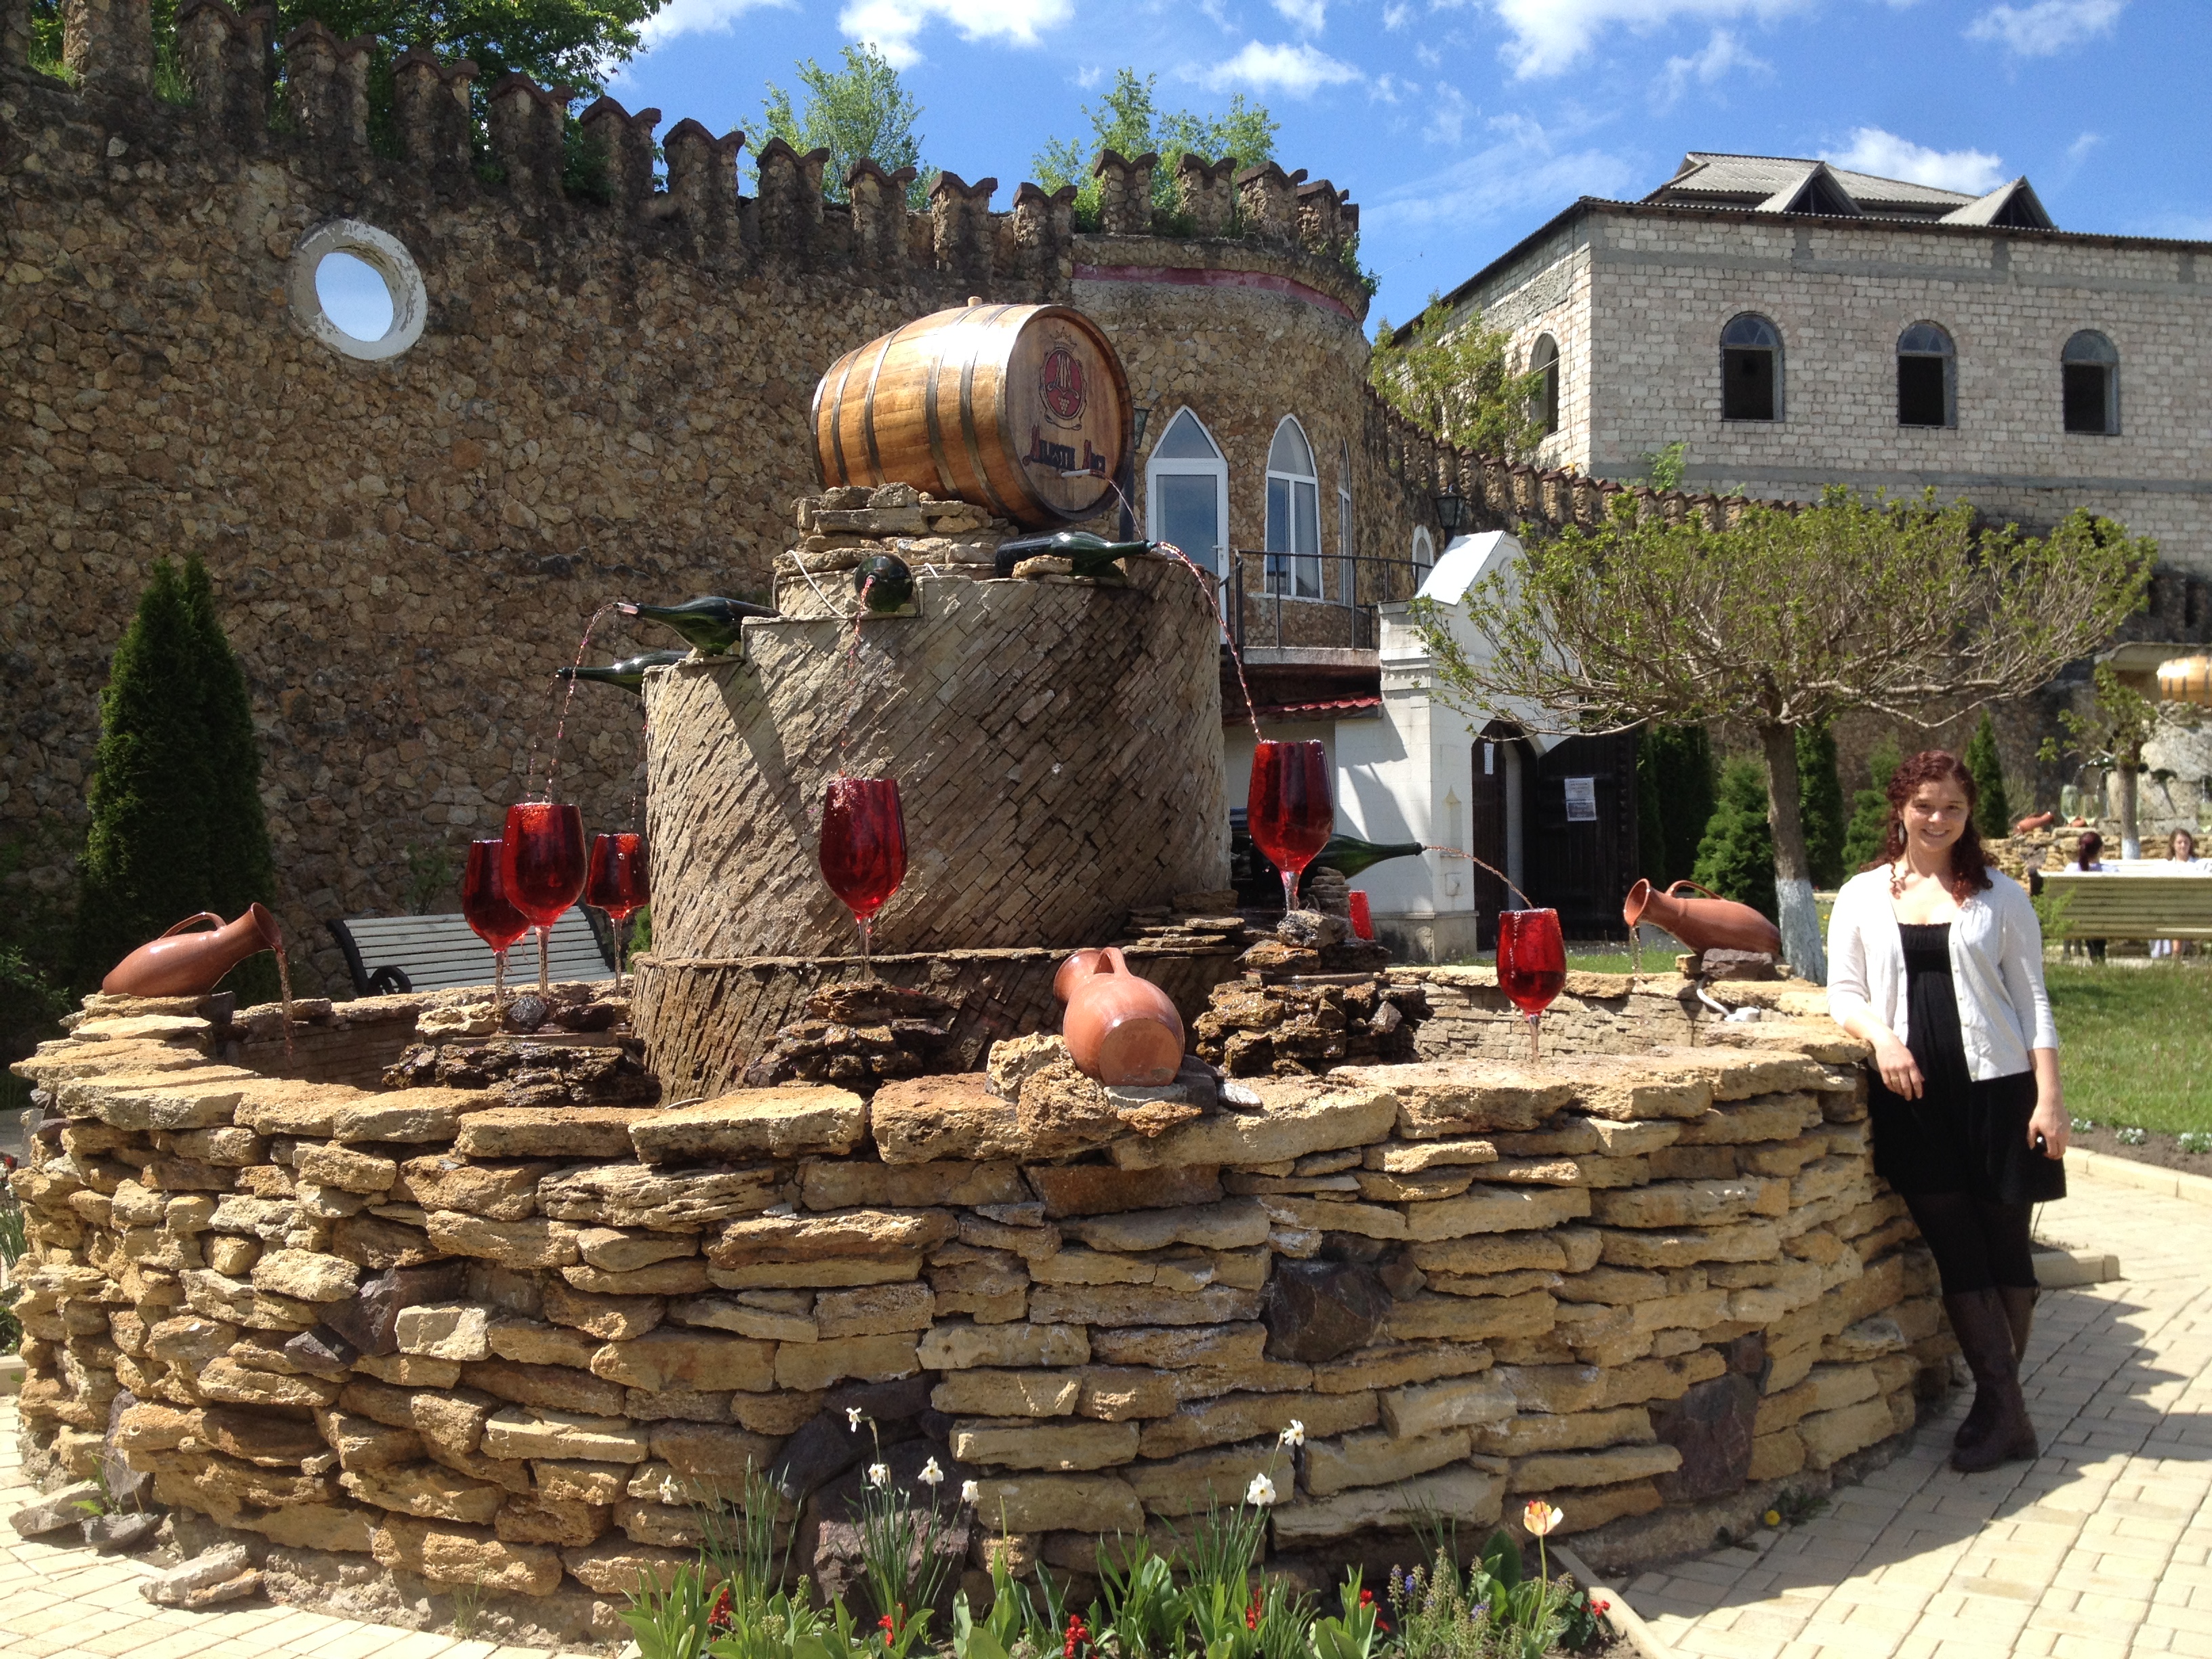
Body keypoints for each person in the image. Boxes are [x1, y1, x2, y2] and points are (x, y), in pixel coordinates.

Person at [1827, 750, 2066, 1474]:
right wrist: (1884, 1038)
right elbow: (1844, 994)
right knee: (1958, 1251)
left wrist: (2051, 1100)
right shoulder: (1863, 895)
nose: (1938, 819)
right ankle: (2007, 1414)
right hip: (1916, 1101)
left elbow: (2035, 1003)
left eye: (1953, 808)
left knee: (2005, 1251)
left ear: (1969, 816)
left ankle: (1999, 1412)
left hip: (2000, 1095)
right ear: (1900, 807)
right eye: (1926, 805)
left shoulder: (2000, 897)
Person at [2151, 828, 2209, 960]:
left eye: (2186, 842)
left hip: (2196, 910)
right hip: (2171, 910)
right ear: (2173, 845)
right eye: (2179, 842)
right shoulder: (2163, 866)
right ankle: (2176, 955)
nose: (2183, 845)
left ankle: (2175, 956)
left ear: (2191, 844)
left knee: (2176, 911)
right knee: (2174, 910)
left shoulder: (2202, 865)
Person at [2061, 831, 2108, 962]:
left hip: (2076, 918)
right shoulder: (2111, 871)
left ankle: (2092, 958)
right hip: (2105, 920)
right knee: (2098, 916)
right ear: (2102, 850)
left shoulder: (2070, 870)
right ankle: (2099, 958)